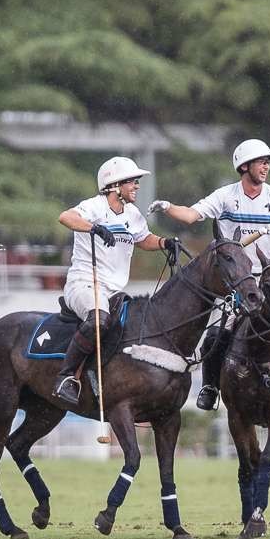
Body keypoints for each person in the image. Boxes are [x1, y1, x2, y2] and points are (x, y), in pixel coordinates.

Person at [148, 138, 270, 410]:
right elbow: (190, 215)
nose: (266, 166)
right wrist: (167, 207)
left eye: (268, 162)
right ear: (244, 166)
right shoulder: (225, 196)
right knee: (216, 336)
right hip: (239, 282)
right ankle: (210, 387)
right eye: (261, 162)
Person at [52, 156, 180, 406]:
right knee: (99, 319)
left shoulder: (132, 215)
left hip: (114, 291)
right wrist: (93, 228)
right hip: (84, 283)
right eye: (132, 181)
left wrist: (165, 242)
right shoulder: (94, 206)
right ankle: (66, 377)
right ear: (114, 185)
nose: (137, 186)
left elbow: (144, 239)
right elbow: (65, 217)